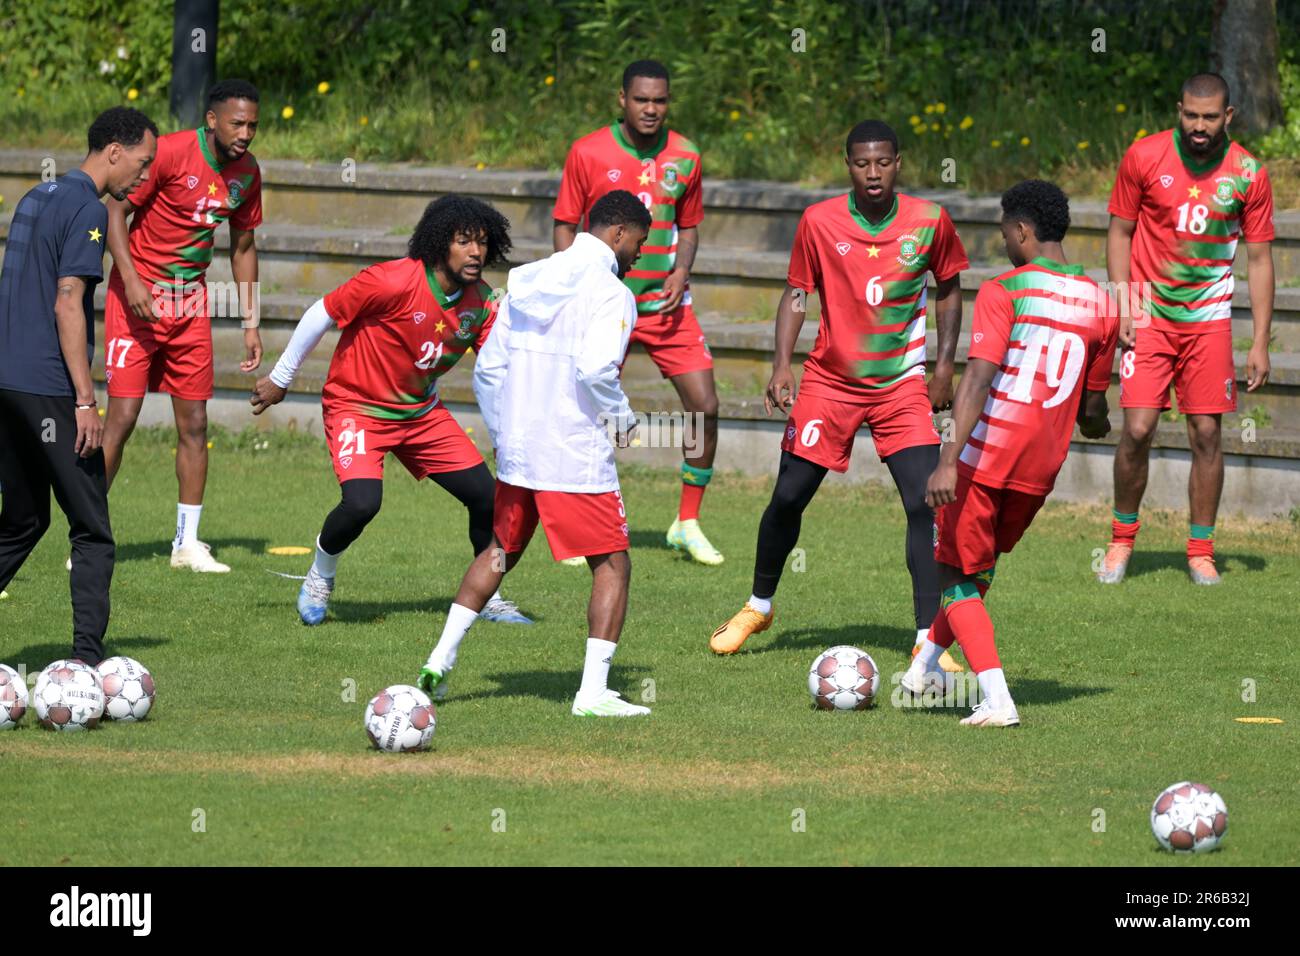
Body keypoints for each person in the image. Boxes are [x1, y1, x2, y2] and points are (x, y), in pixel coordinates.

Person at [709, 120, 968, 667]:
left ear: (898, 163)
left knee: (926, 506)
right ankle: (759, 606)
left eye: (882, 162)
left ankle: (927, 637)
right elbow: (797, 293)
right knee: (788, 496)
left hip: (900, 385)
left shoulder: (930, 221)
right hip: (829, 383)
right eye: (860, 163)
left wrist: (943, 366)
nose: (872, 173)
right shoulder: (819, 221)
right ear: (847, 164)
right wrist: (782, 363)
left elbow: (948, 288)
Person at [417, 190, 652, 717]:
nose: (639, 252)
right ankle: (592, 694)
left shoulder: (525, 281)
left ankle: (439, 660)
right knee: (612, 563)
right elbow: (595, 370)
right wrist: (623, 420)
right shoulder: (612, 294)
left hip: (521, 451)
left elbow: (489, 369)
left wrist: (507, 434)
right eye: (639, 241)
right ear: (618, 234)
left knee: (500, 552)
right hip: (574, 453)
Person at [250, 196, 531, 625]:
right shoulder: (392, 280)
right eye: (464, 241)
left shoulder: (481, 302)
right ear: (440, 243)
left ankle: (486, 595)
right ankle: (320, 576)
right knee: (363, 503)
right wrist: (281, 377)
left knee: (488, 499)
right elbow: (321, 313)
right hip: (357, 408)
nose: (476, 252)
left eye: (482, 243)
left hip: (420, 414)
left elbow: (500, 364)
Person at [905, 180, 1117, 727]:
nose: (1003, 241)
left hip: (985, 458)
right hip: (1040, 469)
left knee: (953, 575)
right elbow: (1095, 411)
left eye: (1004, 232)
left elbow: (977, 378)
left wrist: (948, 457)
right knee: (977, 573)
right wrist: (1096, 422)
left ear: (1022, 230)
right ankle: (923, 669)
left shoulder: (1007, 291)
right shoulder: (1103, 304)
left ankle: (997, 698)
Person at [1099, 72, 1274, 586]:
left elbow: (1260, 260)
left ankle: (1200, 552)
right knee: (1137, 429)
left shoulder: (1248, 173)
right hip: (1149, 314)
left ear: (1228, 117)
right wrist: (1125, 305)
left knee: (1205, 434)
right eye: (1190, 115)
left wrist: (1260, 340)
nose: (1199, 126)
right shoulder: (1144, 156)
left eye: (1209, 117)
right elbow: (1120, 230)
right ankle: (1120, 541)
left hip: (1209, 322)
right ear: (1179, 110)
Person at [0, 106, 158, 665]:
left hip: (6, 383)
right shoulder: (88, 208)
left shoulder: (35, 197)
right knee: (92, 529)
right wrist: (86, 400)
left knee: (24, 521)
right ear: (114, 150)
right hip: (48, 388)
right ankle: (87, 667)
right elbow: (69, 300)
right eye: (141, 162)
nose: (143, 175)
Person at [553, 59, 724, 565]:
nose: (652, 109)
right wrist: (580, 284)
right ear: (622, 99)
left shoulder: (687, 155)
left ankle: (686, 522)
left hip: (666, 306)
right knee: (582, 410)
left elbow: (688, 227)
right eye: (642, 99)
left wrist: (679, 273)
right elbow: (565, 223)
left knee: (706, 406)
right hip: (606, 305)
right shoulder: (587, 151)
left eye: (661, 100)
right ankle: (573, 526)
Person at [101, 78, 266, 573]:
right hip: (138, 300)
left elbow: (243, 246)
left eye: (253, 125)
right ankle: (87, 535)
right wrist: (131, 282)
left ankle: (187, 544)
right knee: (122, 420)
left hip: (190, 305)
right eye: (237, 123)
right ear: (212, 119)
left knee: (194, 424)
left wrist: (250, 322)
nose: (246, 133)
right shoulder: (169, 153)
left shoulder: (247, 173)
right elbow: (114, 211)